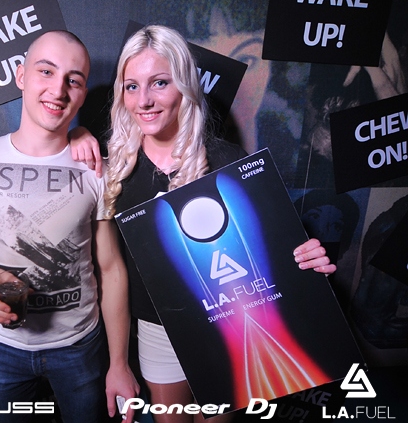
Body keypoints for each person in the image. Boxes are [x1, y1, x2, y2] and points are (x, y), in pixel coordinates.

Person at [70, 25, 336, 423]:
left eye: (160, 83)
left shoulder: (230, 161)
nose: (144, 100)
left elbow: (269, 255)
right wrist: (75, 133)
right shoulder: (112, 173)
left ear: (184, 85)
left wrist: (304, 258)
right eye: (132, 87)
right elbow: (109, 271)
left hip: (230, 321)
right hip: (158, 330)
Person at [0, 30, 139, 423]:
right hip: (2, 347)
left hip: (80, 346)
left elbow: (111, 268)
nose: (58, 90)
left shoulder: (96, 169)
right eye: (46, 71)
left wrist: (118, 363)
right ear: (21, 76)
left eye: (73, 80)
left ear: (82, 93)